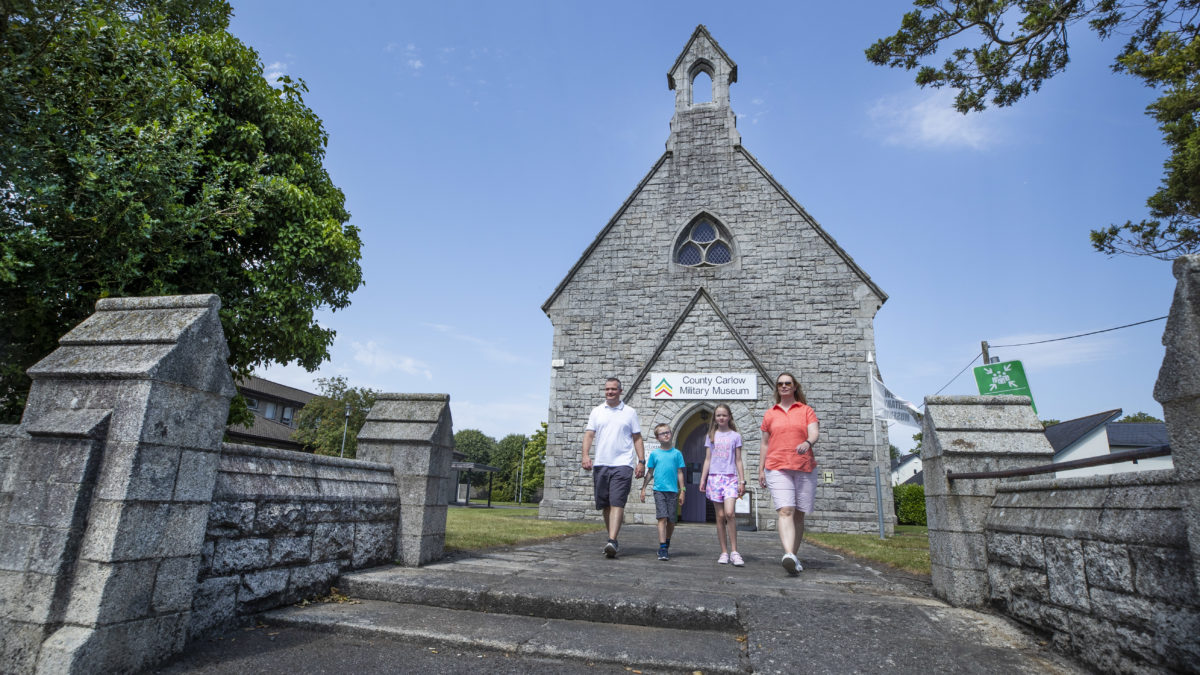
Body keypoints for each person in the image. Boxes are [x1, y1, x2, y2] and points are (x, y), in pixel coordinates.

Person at [757, 372, 819, 575]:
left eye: (788, 383)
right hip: (776, 466)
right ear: (777, 388)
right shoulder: (770, 414)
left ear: (794, 387)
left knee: (799, 514)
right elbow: (765, 443)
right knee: (785, 510)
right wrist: (760, 469)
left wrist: (807, 442)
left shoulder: (806, 410)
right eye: (780, 384)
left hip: (804, 466)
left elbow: (814, 433)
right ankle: (788, 554)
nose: (784, 386)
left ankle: (793, 555)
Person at [581, 377, 646, 558]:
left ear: (620, 391)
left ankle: (612, 540)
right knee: (605, 505)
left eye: (613, 389)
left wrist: (641, 461)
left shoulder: (630, 412)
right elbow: (589, 435)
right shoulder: (596, 412)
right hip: (601, 463)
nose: (610, 392)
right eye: (607, 389)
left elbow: (637, 438)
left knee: (617, 501)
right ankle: (612, 540)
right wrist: (585, 455)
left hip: (622, 464)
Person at [698, 403, 747, 566]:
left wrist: (742, 480)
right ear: (715, 418)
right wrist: (703, 479)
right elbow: (707, 459)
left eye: (724, 415)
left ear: (729, 417)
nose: (721, 418)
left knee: (730, 513)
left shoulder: (735, 436)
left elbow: (738, 460)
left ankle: (735, 551)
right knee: (719, 516)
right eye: (718, 415)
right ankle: (724, 552)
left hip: (730, 478)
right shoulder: (711, 436)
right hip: (714, 478)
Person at [639, 423, 686, 561]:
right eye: (662, 433)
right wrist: (643, 488)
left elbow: (680, 472)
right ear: (657, 437)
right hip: (659, 490)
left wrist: (682, 490)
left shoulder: (677, 454)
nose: (666, 434)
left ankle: (667, 540)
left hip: (673, 491)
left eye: (668, 432)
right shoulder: (655, 454)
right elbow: (650, 472)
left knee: (671, 521)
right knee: (662, 518)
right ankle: (662, 548)